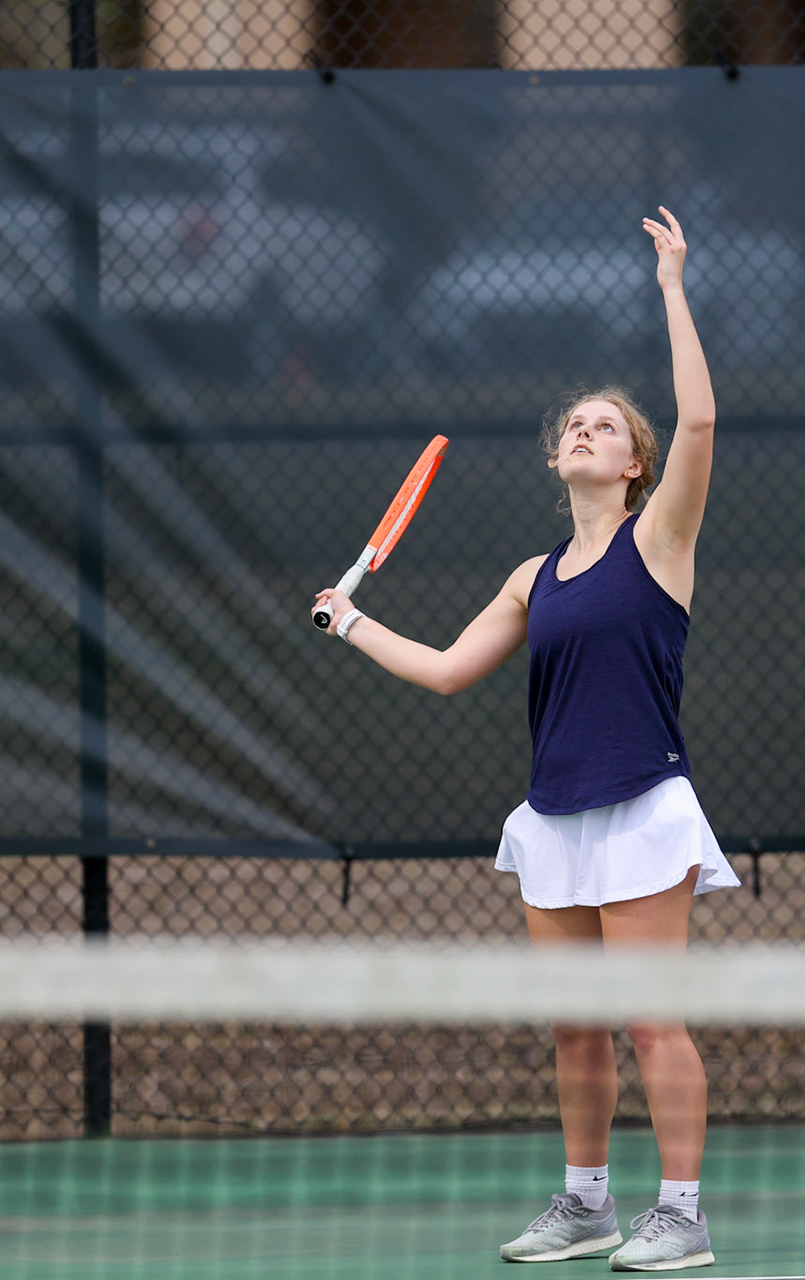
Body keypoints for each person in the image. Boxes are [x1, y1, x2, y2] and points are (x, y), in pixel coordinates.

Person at [315, 205, 736, 1271]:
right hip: (553, 817)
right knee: (574, 1030)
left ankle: (680, 1212)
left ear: (635, 465)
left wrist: (673, 288)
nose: (587, 432)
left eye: (608, 427)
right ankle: (588, 1200)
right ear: (561, 457)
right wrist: (354, 620)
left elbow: (698, 425)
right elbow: (453, 669)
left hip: (643, 805)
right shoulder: (530, 577)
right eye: (576, 425)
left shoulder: (662, 539)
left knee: (650, 1022)